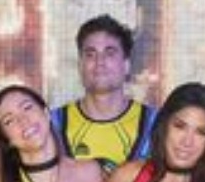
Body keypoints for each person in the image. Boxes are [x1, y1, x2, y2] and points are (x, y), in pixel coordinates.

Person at [50, 14, 156, 172]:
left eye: (109, 53)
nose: (100, 62)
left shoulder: (155, 124)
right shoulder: (53, 125)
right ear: (80, 65)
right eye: (90, 54)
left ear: (126, 65)